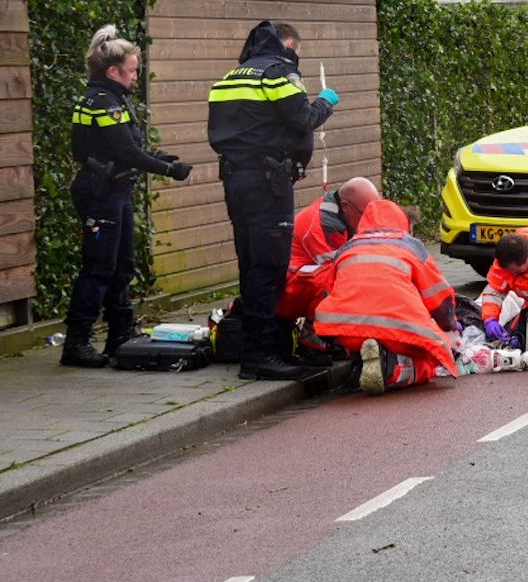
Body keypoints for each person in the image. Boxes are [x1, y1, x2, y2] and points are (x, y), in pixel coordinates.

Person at [207, 21, 338, 381]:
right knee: (270, 268)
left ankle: (259, 349)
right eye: (297, 50)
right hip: (268, 184)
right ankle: (261, 356)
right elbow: (303, 119)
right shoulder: (279, 75)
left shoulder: (230, 78)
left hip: (235, 180)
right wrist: (325, 103)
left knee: (250, 264)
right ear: (289, 44)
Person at [61, 26, 192, 367]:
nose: (136, 76)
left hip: (115, 190)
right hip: (100, 193)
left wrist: (158, 158)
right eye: (132, 70)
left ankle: (120, 334)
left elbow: (123, 150)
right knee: (99, 267)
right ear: (113, 71)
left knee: (123, 265)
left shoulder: (110, 99)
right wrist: (167, 170)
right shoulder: (103, 103)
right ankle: (76, 343)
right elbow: (125, 151)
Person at [310, 200, 458, 396]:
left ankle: (365, 357)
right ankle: (392, 368)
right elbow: (439, 299)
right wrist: (449, 327)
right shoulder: (411, 246)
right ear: (403, 222)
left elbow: (327, 291)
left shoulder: (347, 248)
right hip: (397, 332)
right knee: (430, 358)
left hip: (347, 331)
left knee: (362, 332)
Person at [278, 177, 380, 325]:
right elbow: (346, 272)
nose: (369, 221)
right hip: (285, 291)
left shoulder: (339, 214)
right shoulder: (323, 228)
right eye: (364, 214)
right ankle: (319, 338)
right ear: (345, 206)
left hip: (298, 284)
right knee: (336, 282)